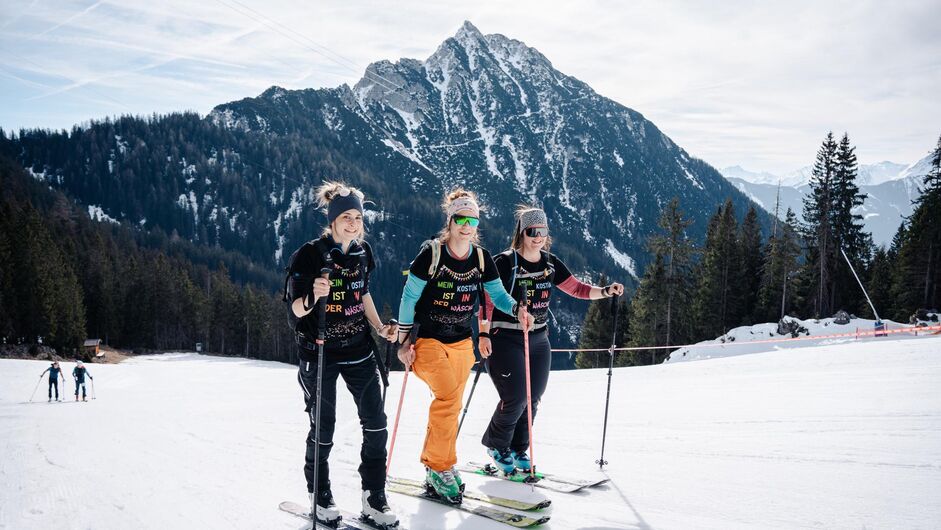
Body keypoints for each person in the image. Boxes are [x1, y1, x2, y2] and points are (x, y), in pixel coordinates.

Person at [396, 189, 532, 504]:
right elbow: (409, 297)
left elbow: (497, 295)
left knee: (451, 404)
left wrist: (516, 310)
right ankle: (443, 466)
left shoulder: (481, 258)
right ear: (451, 219)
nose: (467, 225)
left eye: (472, 219)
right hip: (429, 340)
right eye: (461, 218)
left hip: (461, 342)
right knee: (447, 399)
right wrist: (403, 341)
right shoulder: (432, 254)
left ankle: (434, 465)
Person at [480, 206, 624, 473]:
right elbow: (487, 301)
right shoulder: (504, 262)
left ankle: (518, 448)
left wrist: (605, 291)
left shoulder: (550, 263)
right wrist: (483, 333)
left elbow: (577, 289)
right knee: (516, 396)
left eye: (543, 232)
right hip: (505, 337)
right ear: (522, 233)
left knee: (533, 397)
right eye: (532, 232)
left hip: (538, 338)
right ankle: (497, 444)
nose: (538, 237)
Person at [287, 181, 398, 527]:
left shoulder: (363, 252)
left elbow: (361, 294)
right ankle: (319, 493)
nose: (352, 223)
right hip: (319, 351)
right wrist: (312, 297)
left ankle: (373, 497)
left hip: (359, 348)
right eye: (345, 217)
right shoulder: (309, 255)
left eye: (357, 217)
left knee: (376, 424)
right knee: (324, 426)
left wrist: (380, 327)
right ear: (332, 220)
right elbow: (293, 311)